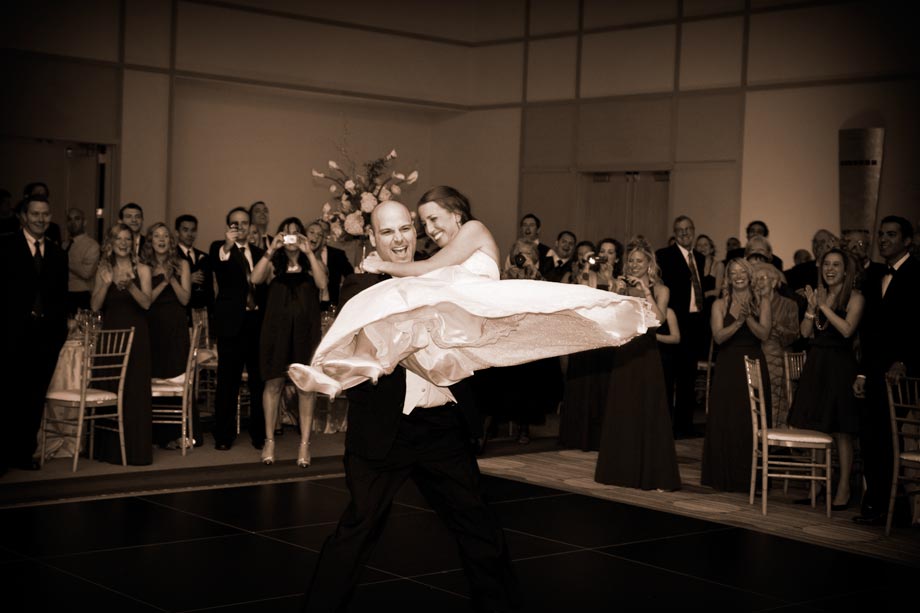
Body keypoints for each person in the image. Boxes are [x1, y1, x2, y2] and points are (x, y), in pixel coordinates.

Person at [301, 199, 521, 612]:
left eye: (405, 229)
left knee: (479, 529)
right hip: (385, 432)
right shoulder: (359, 284)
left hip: (442, 427)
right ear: (371, 238)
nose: (399, 239)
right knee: (357, 531)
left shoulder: (440, 271)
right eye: (388, 232)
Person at [289, 186, 654, 401]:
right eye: (425, 224)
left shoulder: (474, 230)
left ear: (457, 213)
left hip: (476, 300)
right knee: (392, 306)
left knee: (391, 293)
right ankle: (354, 365)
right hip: (457, 307)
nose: (429, 229)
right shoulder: (450, 251)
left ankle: (355, 360)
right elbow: (433, 269)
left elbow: (428, 268)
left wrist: (380, 266)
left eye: (433, 220)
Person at [595, 237, 681, 491]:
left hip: (647, 353)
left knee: (647, 408)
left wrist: (644, 290)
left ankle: (650, 471)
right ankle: (619, 469)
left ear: (649, 264)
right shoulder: (618, 285)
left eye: (639, 261)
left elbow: (658, 320)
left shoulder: (661, 290)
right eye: (630, 260)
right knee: (622, 407)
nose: (633, 264)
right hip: (624, 351)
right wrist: (617, 292)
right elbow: (607, 316)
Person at [852, 216, 919, 526]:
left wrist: (905, 360)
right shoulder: (877, 274)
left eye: (891, 235)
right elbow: (869, 331)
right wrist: (863, 373)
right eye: (881, 234)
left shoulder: (917, 273)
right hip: (875, 369)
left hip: (903, 373)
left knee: (891, 438)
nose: (883, 240)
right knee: (870, 436)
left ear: (908, 240)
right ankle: (876, 501)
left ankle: (896, 505)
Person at [787, 248, 863, 509]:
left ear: (845, 270)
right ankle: (817, 484)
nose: (830, 269)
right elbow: (805, 332)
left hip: (841, 366)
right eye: (826, 265)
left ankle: (842, 488)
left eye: (836, 265)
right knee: (816, 426)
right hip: (816, 364)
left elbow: (846, 330)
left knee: (842, 431)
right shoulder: (820, 296)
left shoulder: (855, 297)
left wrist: (822, 306)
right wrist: (810, 308)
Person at [250, 217, 327, 467]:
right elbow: (255, 278)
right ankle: (269, 440)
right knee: (273, 384)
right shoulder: (274, 264)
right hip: (275, 331)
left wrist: (310, 253)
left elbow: (322, 284)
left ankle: (304, 444)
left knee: (305, 387)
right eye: (286, 233)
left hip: (305, 332)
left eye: (296, 233)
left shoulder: (311, 262)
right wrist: (271, 250)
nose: (291, 238)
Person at [0, 196, 68, 475]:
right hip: (12, 335)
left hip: (46, 337)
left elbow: (61, 296)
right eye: (35, 214)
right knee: (7, 396)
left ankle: (23, 452)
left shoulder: (57, 254)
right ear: (24, 216)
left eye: (45, 214)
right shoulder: (4, 247)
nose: (41, 219)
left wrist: (59, 331)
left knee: (34, 397)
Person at [701, 258, 772, 492]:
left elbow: (763, 334)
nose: (738, 276)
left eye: (743, 272)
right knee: (726, 417)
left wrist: (748, 318)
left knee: (749, 419)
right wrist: (738, 321)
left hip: (753, 363)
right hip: (728, 364)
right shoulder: (720, 304)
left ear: (749, 275)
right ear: (728, 278)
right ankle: (722, 475)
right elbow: (719, 337)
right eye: (733, 273)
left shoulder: (762, 301)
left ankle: (749, 477)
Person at [91, 223, 154, 465]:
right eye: (119, 238)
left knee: (134, 392)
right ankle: (107, 451)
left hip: (137, 336)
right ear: (111, 242)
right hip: (110, 336)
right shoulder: (104, 268)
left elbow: (147, 304)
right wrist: (107, 283)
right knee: (108, 387)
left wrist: (130, 285)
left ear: (133, 242)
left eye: (128, 238)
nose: (123, 242)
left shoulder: (144, 269)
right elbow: (95, 306)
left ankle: (135, 451)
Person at [209, 207, 268, 451]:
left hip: (256, 323)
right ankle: (223, 436)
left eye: (245, 223)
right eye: (236, 223)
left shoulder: (260, 252)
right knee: (227, 382)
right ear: (229, 226)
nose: (241, 227)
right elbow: (219, 264)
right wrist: (227, 245)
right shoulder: (218, 248)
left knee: (258, 382)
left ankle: (259, 434)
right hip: (231, 325)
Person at [558, 238, 622, 451]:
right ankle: (578, 436)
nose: (605, 255)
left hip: (607, 338)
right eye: (602, 251)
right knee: (583, 385)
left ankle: (601, 437)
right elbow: (582, 297)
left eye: (610, 252)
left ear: (617, 257)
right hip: (586, 336)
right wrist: (587, 266)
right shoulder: (588, 276)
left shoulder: (619, 281)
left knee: (602, 386)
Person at [142, 223, 193, 450]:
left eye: (165, 236)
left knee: (176, 377)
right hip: (152, 326)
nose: (161, 239)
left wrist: (172, 278)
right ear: (150, 241)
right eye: (156, 236)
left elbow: (185, 300)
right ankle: (153, 434)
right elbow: (146, 301)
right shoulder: (143, 267)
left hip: (175, 327)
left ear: (170, 241)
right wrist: (163, 280)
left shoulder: (182, 264)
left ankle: (177, 433)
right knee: (153, 377)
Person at [656, 215, 708, 438]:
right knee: (668, 378)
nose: (685, 233)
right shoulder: (664, 255)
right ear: (674, 233)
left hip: (695, 324)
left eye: (688, 229)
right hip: (674, 322)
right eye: (680, 230)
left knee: (688, 377)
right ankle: (665, 427)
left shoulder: (700, 258)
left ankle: (684, 426)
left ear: (694, 230)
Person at [753, 263, 799, 429]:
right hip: (755, 356)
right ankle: (756, 434)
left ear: (773, 282)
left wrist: (775, 327)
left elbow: (794, 335)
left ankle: (777, 435)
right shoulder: (752, 305)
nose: (759, 282)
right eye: (756, 279)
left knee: (773, 377)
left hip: (779, 356)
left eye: (763, 278)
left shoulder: (789, 304)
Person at [305, 218, 353, 311]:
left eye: (321, 234)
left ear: (327, 236)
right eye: (312, 232)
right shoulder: (298, 256)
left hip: (328, 306)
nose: (316, 237)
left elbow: (350, 276)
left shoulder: (337, 255)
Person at [175, 214, 214, 323]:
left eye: (193, 230)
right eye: (185, 230)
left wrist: (211, 313)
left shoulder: (205, 257)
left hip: (202, 314)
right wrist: (187, 280)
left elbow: (209, 288)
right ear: (177, 232)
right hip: (181, 313)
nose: (190, 234)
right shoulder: (172, 256)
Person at [63, 207, 100, 316]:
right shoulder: (64, 245)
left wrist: (63, 259)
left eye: (77, 219)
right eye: (69, 219)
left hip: (81, 296)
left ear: (84, 222)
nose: (72, 222)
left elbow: (87, 273)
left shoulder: (92, 245)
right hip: (63, 294)